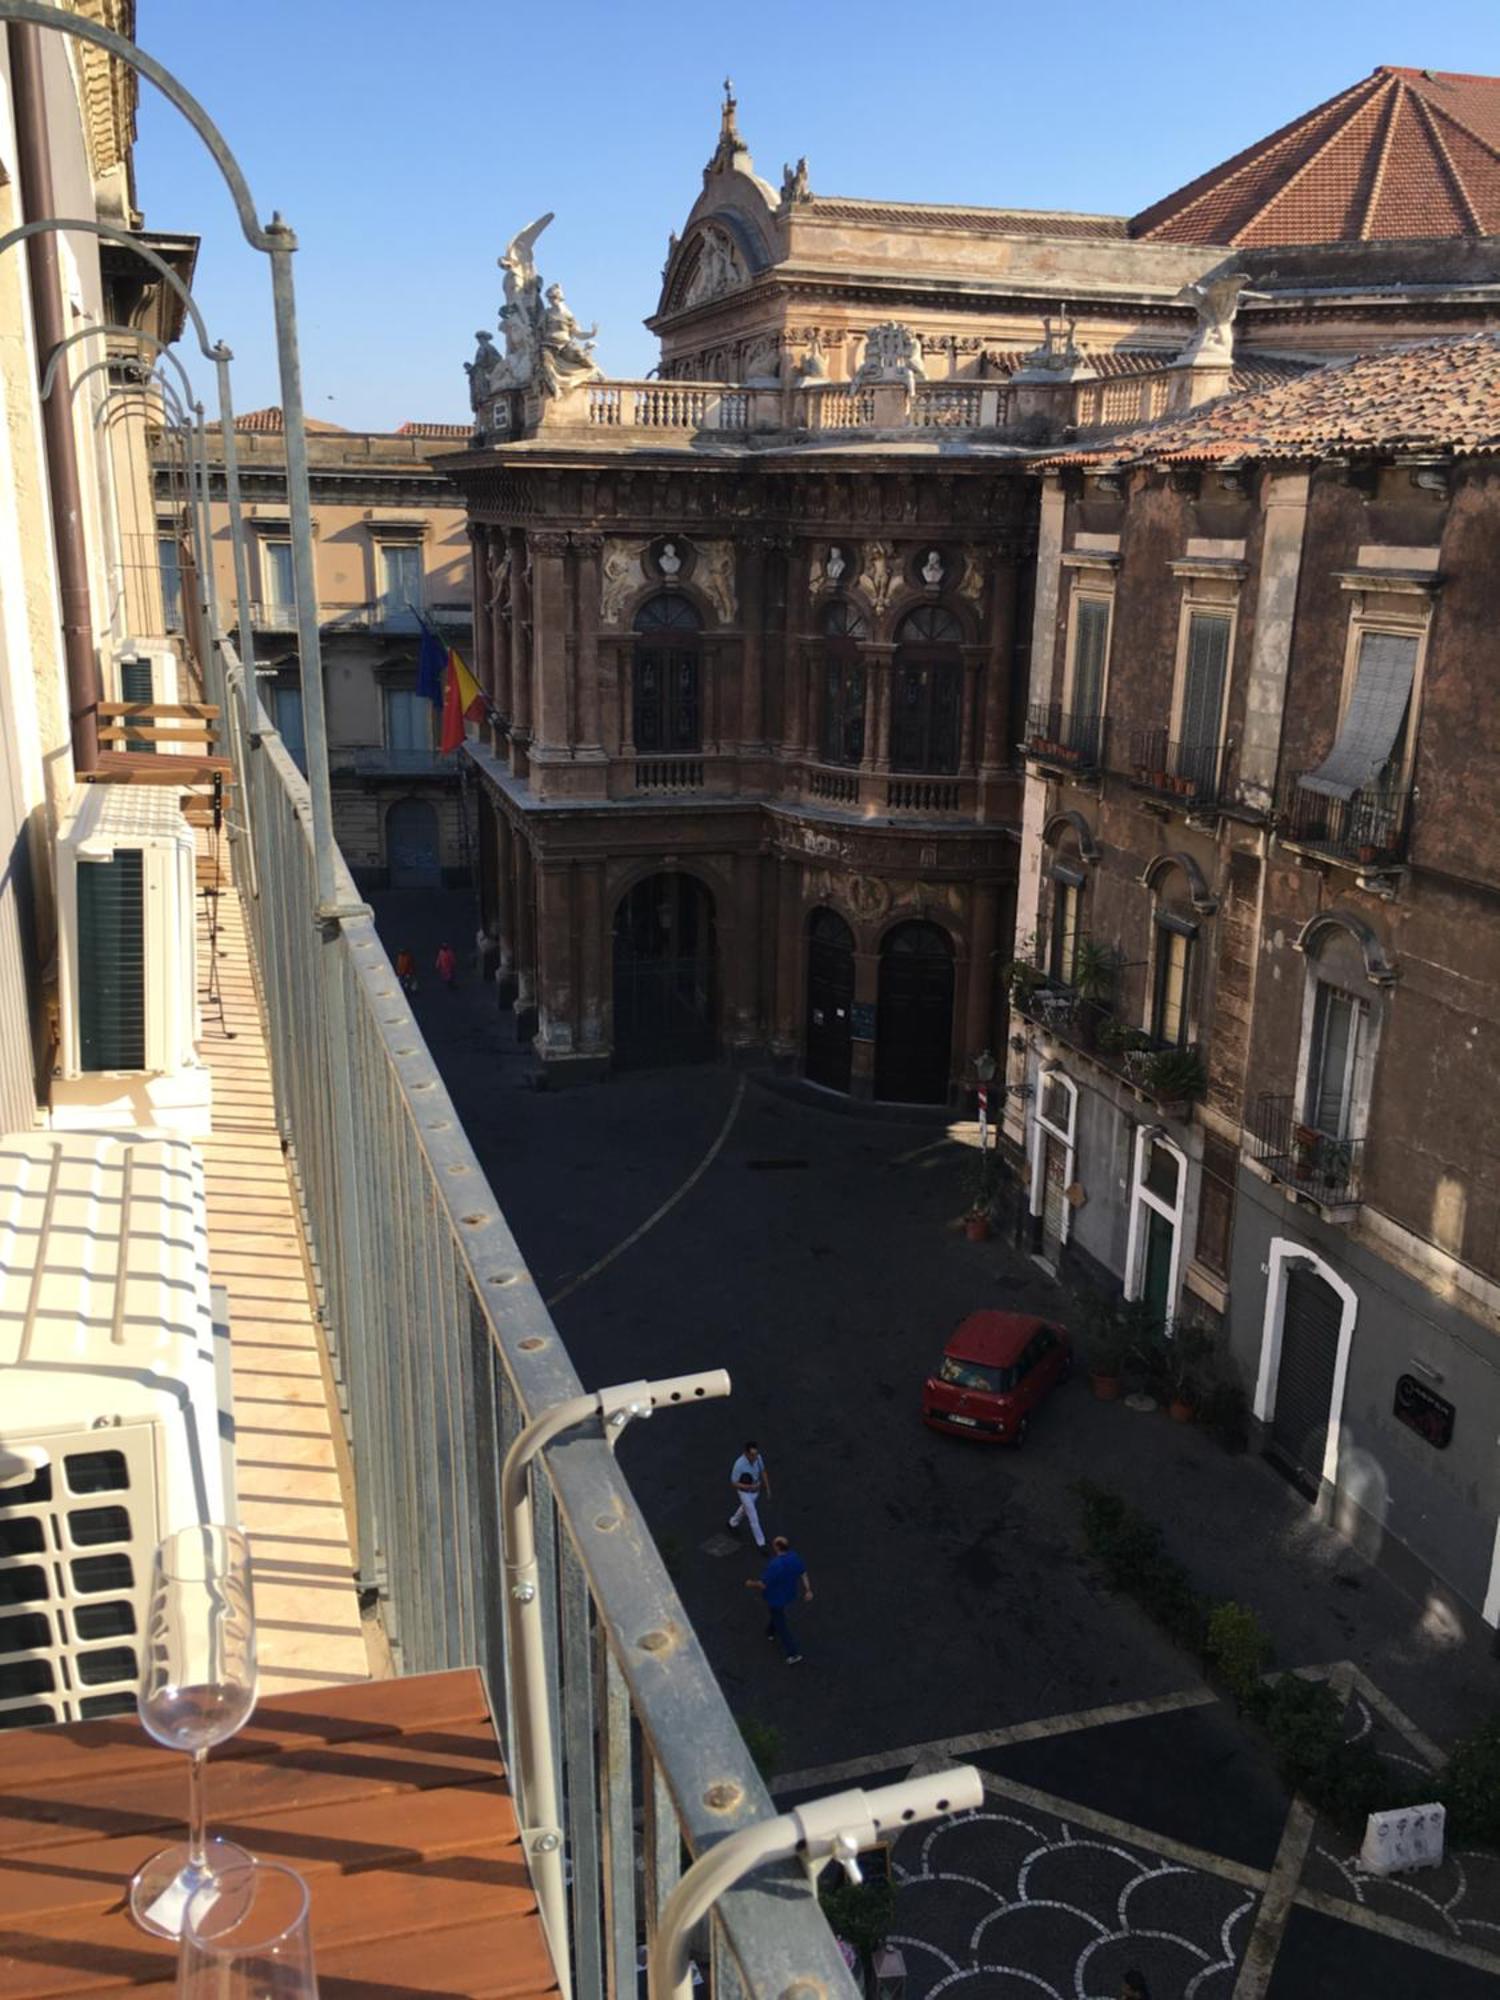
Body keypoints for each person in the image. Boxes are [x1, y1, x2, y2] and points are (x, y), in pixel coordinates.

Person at [745, 1535, 812, 1663]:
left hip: (775, 1598)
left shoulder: (775, 1565)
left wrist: (750, 1583)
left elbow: (763, 1584)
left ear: (777, 1547)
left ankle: (793, 1653)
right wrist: (808, 1590)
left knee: (782, 1626)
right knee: (777, 1615)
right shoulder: (794, 1557)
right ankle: (770, 1631)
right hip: (789, 1594)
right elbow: (803, 1573)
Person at [727, 1441, 770, 1551]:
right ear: (746, 1453)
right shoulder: (739, 1465)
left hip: (756, 1491)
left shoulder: (758, 1458)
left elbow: (763, 1471)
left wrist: (767, 1487)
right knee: (753, 1517)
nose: (755, 1457)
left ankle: (732, 1522)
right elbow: (733, 1482)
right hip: (744, 1493)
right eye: (752, 1455)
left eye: (756, 1454)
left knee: (745, 1509)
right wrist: (749, 1487)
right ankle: (761, 1543)